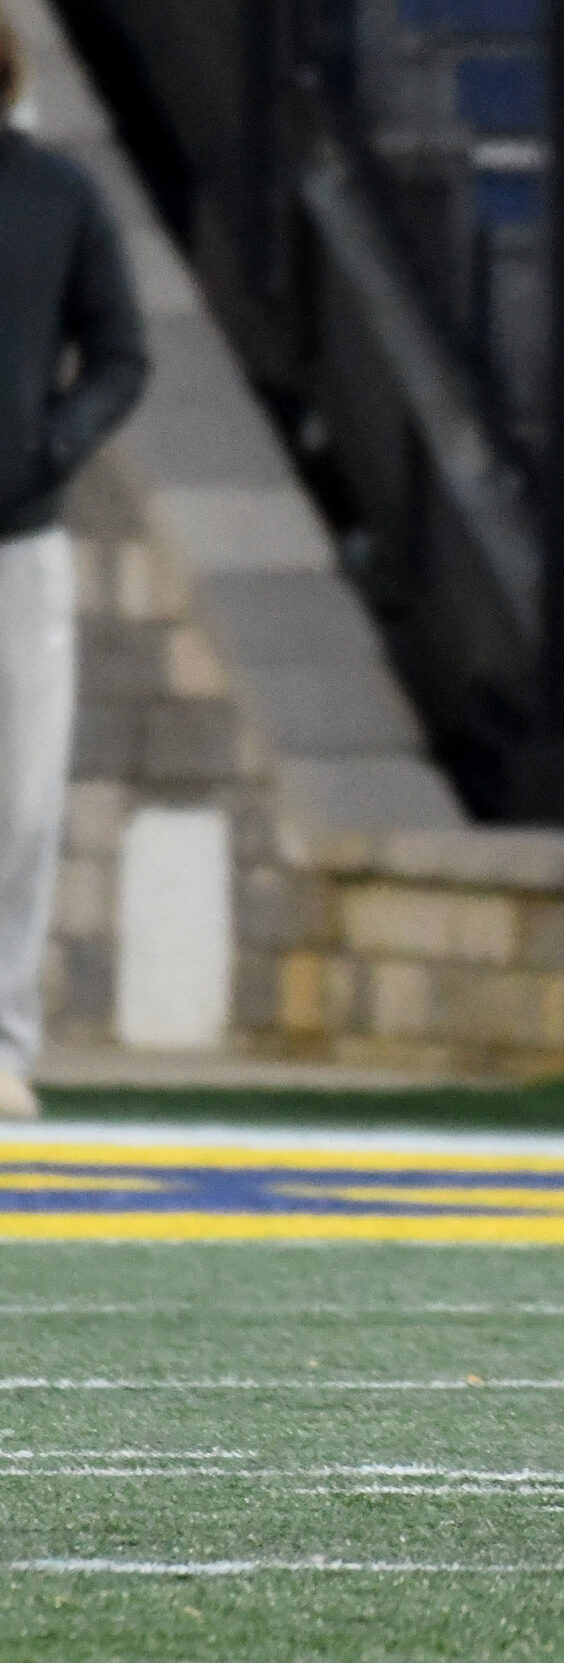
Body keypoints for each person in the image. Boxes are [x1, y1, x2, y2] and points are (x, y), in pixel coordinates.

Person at [0, 15, 148, 1121]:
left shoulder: (56, 196)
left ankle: (2, 1038)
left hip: (19, 541)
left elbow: (119, 352)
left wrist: (49, 445)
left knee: (18, 801)